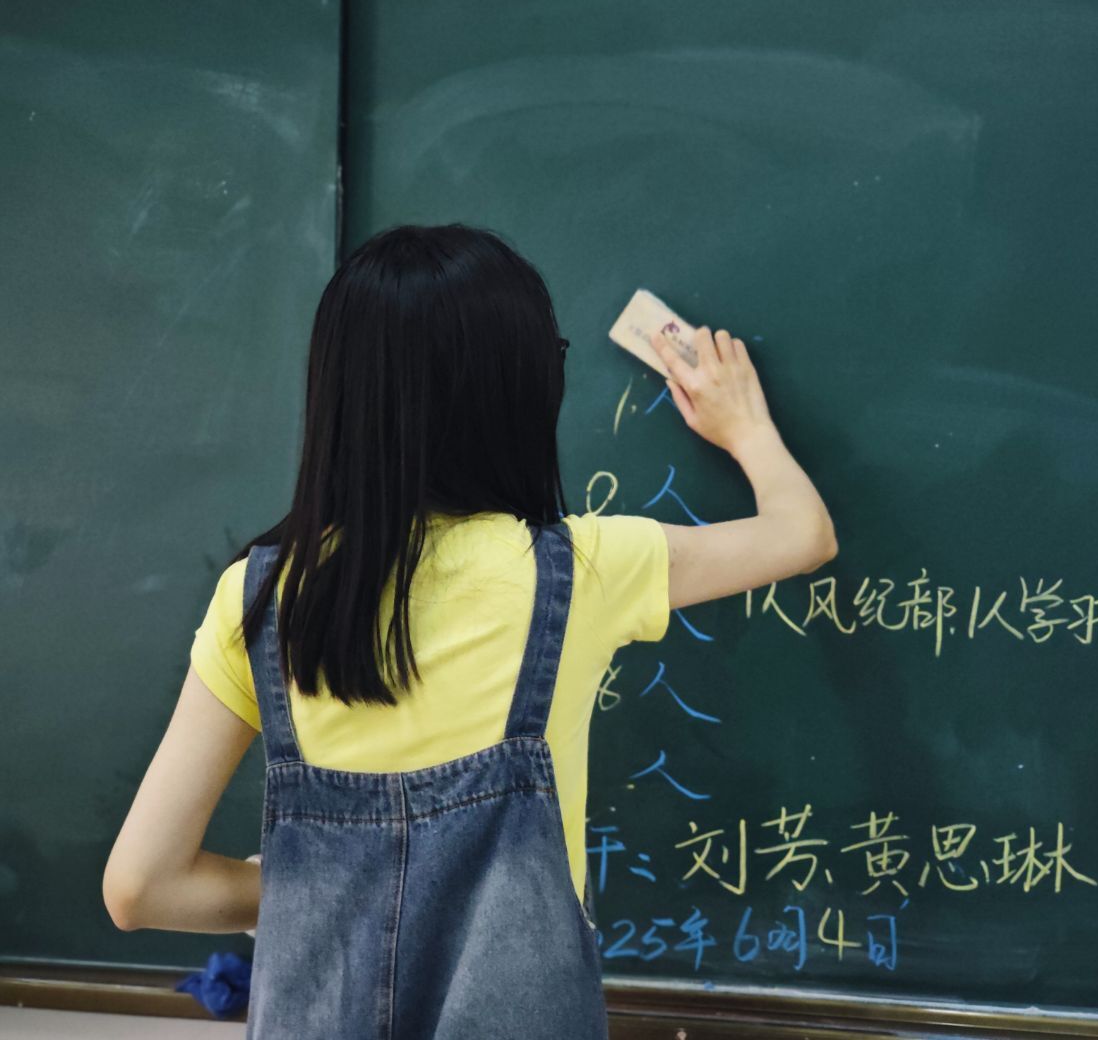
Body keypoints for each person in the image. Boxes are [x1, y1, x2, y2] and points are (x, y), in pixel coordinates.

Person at [101, 223, 836, 1037]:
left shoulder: (264, 595)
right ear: (516, 390)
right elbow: (802, 535)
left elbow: (141, 887)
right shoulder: (581, 569)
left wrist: (318, 881)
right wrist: (746, 429)